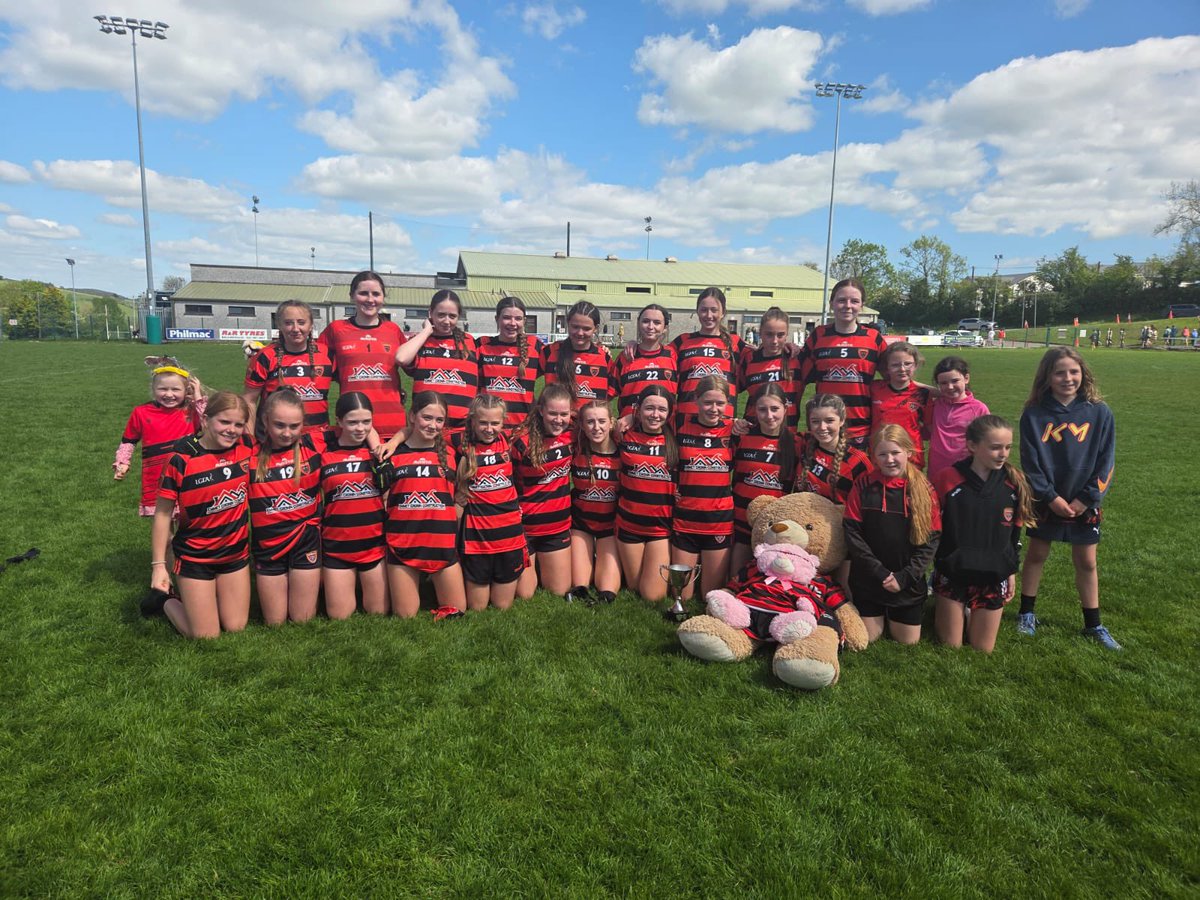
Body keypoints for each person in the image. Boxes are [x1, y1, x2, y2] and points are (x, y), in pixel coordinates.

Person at [1017, 347, 1119, 649]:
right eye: (1059, 372)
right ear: (1047, 377)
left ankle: (1093, 624)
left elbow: (1106, 460)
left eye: (1073, 372)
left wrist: (1087, 499)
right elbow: (1030, 462)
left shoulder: (1099, 412)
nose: (1067, 378)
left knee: (1086, 561)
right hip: (1047, 499)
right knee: (1037, 554)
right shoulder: (1034, 413)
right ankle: (1027, 613)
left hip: (1084, 500)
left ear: (1083, 374)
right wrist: (1049, 497)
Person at [151, 392, 253, 639]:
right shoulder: (182, 458)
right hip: (195, 557)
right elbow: (163, 514)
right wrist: (158, 566)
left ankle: (208, 600)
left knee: (236, 626)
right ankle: (164, 602)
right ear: (206, 420)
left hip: (235, 554)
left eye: (238, 424)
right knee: (205, 636)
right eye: (224, 422)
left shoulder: (246, 448)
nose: (232, 430)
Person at [932, 415, 1035, 653]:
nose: (1003, 454)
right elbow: (931, 528)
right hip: (953, 572)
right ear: (972, 446)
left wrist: (1010, 571)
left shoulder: (1014, 482)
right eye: (995, 447)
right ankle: (956, 608)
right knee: (951, 647)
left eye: (1008, 447)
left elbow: (1015, 534)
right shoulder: (947, 479)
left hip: (992, 573)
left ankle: (972, 612)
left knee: (982, 650)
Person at [843, 424, 941, 645]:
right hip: (869, 579)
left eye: (896, 453)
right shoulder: (863, 484)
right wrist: (879, 572)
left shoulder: (924, 488)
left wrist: (905, 577)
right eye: (882, 454)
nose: (890, 459)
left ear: (909, 452)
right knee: (868, 638)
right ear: (873, 457)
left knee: (907, 641)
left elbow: (931, 541)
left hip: (907, 581)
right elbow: (852, 533)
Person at [379, 392, 466, 617]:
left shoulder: (453, 450)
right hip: (403, 543)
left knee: (458, 613)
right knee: (406, 615)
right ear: (412, 416)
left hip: (442, 545)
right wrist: (397, 438)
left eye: (439, 420)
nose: (433, 425)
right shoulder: (391, 453)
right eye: (427, 418)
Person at [249, 388, 322, 626]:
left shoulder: (316, 444)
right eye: (279, 425)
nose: (287, 433)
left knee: (302, 620)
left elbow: (358, 422)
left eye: (295, 426)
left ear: (304, 423)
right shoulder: (249, 453)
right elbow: (216, 426)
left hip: (306, 540)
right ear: (265, 421)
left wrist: (392, 441)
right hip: (268, 544)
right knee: (275, 622)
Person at [794, 278, 886, 449]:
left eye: (854, 301)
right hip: (824, 428)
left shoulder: (874, 338)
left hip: (860, 428)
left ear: (862, 305)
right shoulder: (818, 336)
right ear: (831, 303)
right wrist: (788, 347)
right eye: (842, 300)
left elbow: (896, 379)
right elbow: (797, 376)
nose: (848, 305)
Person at [319, 392, 388, 620]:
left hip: (374, 546)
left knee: (379, 613)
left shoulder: (380, 453)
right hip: (337, 547)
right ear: (338, 421)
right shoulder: (323, 453)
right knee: (340, 617)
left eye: (366, 422)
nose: (360, 428)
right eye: (352, 422)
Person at [454, 395, 526, 611]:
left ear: (503, 422)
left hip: (509, 536)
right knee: (477, 607)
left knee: (503, 605)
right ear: (472, 421)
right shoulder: (459, 444)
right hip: (478, 540)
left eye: (495, 423)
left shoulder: (508, 441)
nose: (489, 429)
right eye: (483, 423)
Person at [317, 271, 408, 439]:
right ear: (352, 296)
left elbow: (411, 367)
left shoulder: (393, 330)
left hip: (392, 422)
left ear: (383, 297)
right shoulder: (336, 329)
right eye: (363, 293)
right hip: (353, 423)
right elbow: (318, 365)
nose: (370, 299)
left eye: (376, 294)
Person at [671, 375, 736, 601]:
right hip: (685, 518)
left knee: (709, 596)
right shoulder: (679, 425)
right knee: (682, 596)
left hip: (718, 521)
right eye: (708, 402)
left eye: (720, 403)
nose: (714, 409)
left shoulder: (734, 430)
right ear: (697, 400)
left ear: (728, 403)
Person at [115, 358, 206, 517]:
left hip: (188, 475)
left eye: (175, 389)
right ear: (153, 388)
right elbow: (128, 441)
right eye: (162, 389)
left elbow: (210, 424)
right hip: (156, 477)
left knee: (189, 525)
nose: (169, 394)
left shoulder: (191, 411)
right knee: (164, 527)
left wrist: (198, 397)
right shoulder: (141, 412)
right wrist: (122, 462)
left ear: (186, 390)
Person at [511, 384, 575, 599]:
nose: (559, 420)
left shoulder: (574, 434)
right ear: (540, 410)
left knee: (559, 590)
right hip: (525, 526)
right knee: (525, 594)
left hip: (556, 526)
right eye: (553, 413)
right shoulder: (521, 441)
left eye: (564, 414)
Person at [616, 385, 677, 602]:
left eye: (662, 409)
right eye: (649, 408)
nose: (655, 414)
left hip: (660, 528)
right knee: (633, 587)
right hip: (629, 524)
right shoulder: (623, 435)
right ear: (638, 409)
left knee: (652, 596)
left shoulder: (676, 440)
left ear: (670, 413)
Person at [730, 383, 798, 576]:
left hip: (774, 528)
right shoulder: (742, 437)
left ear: (786, 408)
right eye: (762, 409)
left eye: (775, 409)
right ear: (754, 410)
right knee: (735, 581)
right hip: (740, 523)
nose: (769, 416)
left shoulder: (797, 443)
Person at [243, 300, 334, 437]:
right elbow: (249, 400)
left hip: (318, 440)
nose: (295, 329)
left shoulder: (327, 354)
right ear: (279, 325)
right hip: (275, 441)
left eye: (301, 322)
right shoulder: (265, 356)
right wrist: (249, 440)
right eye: (288, 323)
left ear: (311, 326)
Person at [395, 290, 479, 438]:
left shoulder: (470, 342)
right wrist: (427, 331)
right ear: (430, 313)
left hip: (462, 431)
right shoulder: (421, 341)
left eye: (452, 316)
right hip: (427, 430)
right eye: (441, 315)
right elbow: (401, 358)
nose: (447, 321)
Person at [569, 400, 621, 606]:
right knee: (580, 585)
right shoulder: (576, 449)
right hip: (581, 524)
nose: (596, 427)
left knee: (606, 590)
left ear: (611, 423)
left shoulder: (623, 451)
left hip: (610, 525)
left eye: (601, 421)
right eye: (590, 422)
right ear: (582, 425)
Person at [671, 287, 743, 427]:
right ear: (697, 311)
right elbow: (655, 353)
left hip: (723, 424)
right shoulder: (682, 341)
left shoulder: (737, 344)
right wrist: (635, 345)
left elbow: (769, 352)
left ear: (723, 313)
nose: (708, 315)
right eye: (703, 310)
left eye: (714, 310)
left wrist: (790, 348)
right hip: (686, 423)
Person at [477, 296, 544, 431]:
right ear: (497, 319)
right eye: (507, 317)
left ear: (524, 321)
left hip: (524, 432)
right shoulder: (481, 345)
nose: (512, 323)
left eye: (518, 319)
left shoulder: (535, 346)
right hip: (489, 431)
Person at [795, 394, 872, 504]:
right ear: (809, 423)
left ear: (841, 420)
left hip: (836, 521)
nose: (822, 427)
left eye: (829, 420)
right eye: (815, 421)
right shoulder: (803, 444)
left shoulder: (857, 462)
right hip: (800, 517)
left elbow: (868, 505)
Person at [542, 301, 615, 411]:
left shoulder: (604, 357)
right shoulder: (549, 352)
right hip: (557, 424)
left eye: (586, 329)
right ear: (568, 323)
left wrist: (599, 406)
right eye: (575, 327)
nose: (580, 333)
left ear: (596, 328)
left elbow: (615, 388)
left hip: (590, 425)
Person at [926, 356, 990, 482]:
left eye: (955, 381)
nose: (950, 387)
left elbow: (988, 442)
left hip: (965, 473)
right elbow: (913, 387)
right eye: (943, 383)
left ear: (966, 378)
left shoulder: (978, 409)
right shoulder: (935, 404)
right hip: (936, 472)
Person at [870, 340, 931, 468]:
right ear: (887, 367)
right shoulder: (874, 388)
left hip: (912, 458)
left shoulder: (923, 394)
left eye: (908, 364)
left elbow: (929, 430)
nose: (902, 369)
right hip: (881, 457)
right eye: (895, 365)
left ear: (915, 365)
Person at [611, 303, 677, 419]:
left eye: (657, 322)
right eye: (646, 321)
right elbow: (607, 395)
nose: (650, 326)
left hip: (664, 432)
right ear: (638, 323)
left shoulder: (673, 355)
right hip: (630, 432)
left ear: (665, 328)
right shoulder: (626, 357)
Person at [737, 307, 798, 429]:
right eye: (769, 334)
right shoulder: (749, 359)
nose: (774, 341)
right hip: (753, 434)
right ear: (760, 333)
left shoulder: (796, 358)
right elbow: (731, 391)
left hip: (787, 434)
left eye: (780, 335)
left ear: (787, 335)